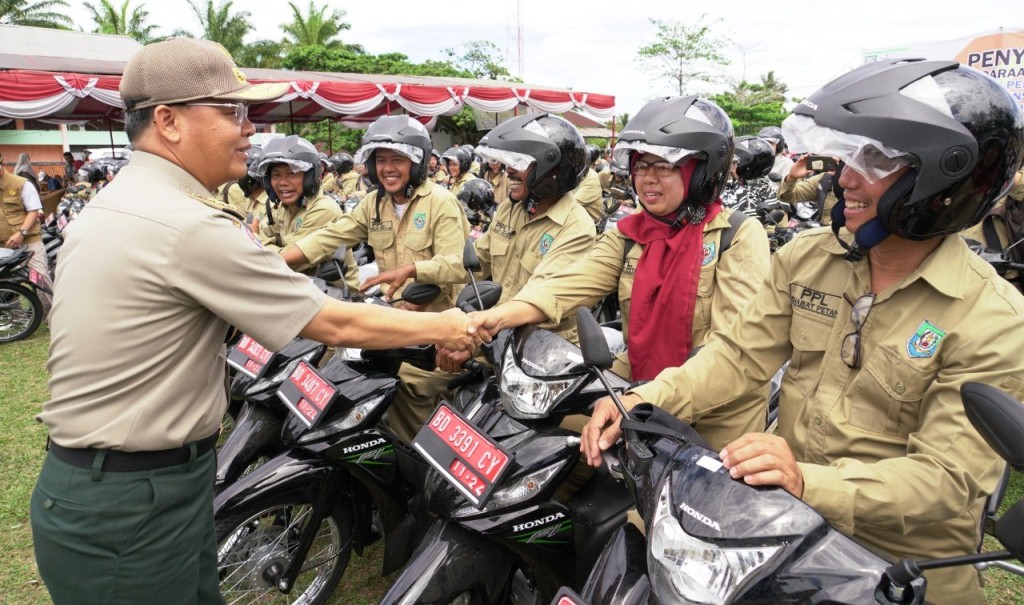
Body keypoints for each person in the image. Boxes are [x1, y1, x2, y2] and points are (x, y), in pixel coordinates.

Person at [30, 38, 485, 605]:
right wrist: (447, 328)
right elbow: (332, 323)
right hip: (133, 498)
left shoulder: (122, 201)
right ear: (168, 121)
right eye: (232, 111)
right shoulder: (185, 223)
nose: (249, 129)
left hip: (134, 486)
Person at [579, 59, 1024, 604]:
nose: (846, 178)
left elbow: (947, 481)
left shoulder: (994, 317)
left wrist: (807, 480)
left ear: (944, 179)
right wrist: (644, 398)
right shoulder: (809, 257)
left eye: (877, 160)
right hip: (781, 530)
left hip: (899, 569)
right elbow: (739, 356)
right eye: (849, 157)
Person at [472, 96, 771, 450]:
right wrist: (491, 319)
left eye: (664, 166)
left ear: (701, 170)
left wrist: (645, 397)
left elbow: (732, 351)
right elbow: (565, 286)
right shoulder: (629, 235)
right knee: (540, 439)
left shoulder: (736, 236)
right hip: (636, 388)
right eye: (641, 166)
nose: (647, 179)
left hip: (713, 417)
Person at [363, 112, 598, 442]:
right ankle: (421, 464)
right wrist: (415, 269)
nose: (508, 171)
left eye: (520, 162)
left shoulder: (576, 228)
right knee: (402, 372)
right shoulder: (513, 208)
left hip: (535, 358)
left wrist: (469, 338)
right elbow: (475, 261)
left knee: (420, 386)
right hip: (490, 339)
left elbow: (536, 301)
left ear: (551, 170)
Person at [280, 115, 471, 312]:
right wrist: (277, 262)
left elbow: (456, 264)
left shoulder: (441, 202)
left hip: (436, 319)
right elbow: (330, 236)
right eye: (381, 160)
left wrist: (412, 271)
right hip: (390, 311)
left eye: (397, 159)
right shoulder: (374, 204)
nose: (388, 168)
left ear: (416, 164)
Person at [254, 135, 361, 291]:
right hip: (301, 289)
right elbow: (264, 234)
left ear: (309, 177)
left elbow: (287, 262)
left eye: (291, 173)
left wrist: (256, 239)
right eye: (276, 175)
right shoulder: (283, 208)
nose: (283, 182)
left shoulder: (323, 209)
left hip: (335, 296)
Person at [0, 150, 53, 317]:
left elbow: (33, 211)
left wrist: (21, 233)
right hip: (3, 244)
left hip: (28, 241)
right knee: (5, 283)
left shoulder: (21, 183)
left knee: (40, 279)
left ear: (2, 165)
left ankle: (54, 317)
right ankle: (17, 319)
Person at [779, 152, 842, 226]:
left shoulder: (858, 182)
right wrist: (792, 177)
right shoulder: (825, 179)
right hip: (826, 233)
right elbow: (787, 196)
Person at [720, 135, 775, 219]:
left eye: (734, 163)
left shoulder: (767, 194)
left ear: (748, 167)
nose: (730, 168)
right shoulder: (726, 185)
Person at [573, 144, 605, 222]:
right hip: (577, 218)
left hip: (591, 224)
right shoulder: (576, 172)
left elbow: (573, 202)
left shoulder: (591, 177)